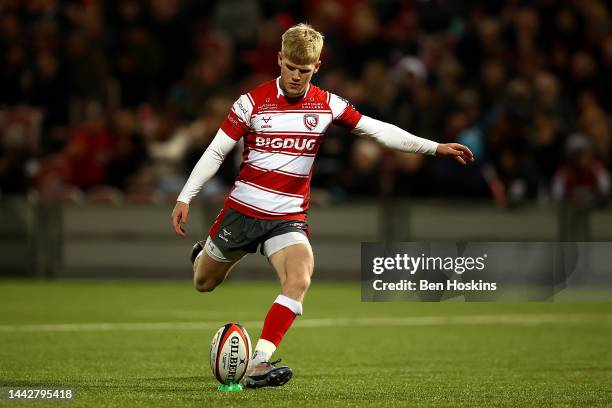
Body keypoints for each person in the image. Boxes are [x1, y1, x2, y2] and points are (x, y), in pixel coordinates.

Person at [170, 23, 474, 388]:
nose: (296, 76)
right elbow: (217, 150)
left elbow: (378, 130)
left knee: (300, 277)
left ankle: (259, 364)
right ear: (280, 60)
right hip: (243, 211)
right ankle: (203, 255)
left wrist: (434, 147)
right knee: (204, 283)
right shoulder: (251, 102)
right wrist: (185, 196)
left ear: (317, 67)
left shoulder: (328, 104)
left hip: (287, 218)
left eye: (305, 69)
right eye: (291, 67)